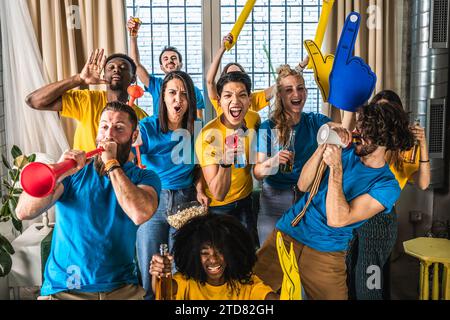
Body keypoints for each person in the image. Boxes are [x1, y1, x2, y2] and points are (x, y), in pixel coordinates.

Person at [253, 100, 415, 300]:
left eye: (365, 134)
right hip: (289, 232)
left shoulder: (386, 186)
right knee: (250, 291)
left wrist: (336, 169)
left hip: (326, 252)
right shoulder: (348, 150)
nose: (358, 135)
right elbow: (303, 185)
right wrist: (324, 146)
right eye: (359, 127)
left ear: (384, 141)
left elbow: (338, 219)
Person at [16, 102, 161, 300]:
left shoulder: (145, 178)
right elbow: (24, 212)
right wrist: (58, 172)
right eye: (104, 126)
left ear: (133, 136)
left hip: (121, 288)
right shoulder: (73, 173)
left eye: (119, 128)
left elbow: (140, 213)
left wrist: (111, 163)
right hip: (65, 288)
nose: (109, 134)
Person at [346, 90, 431, 300]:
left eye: (385, 113)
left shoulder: (403, 150)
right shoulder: (364, 145)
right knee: (355, 272)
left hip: (380, 215)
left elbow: (423, 182)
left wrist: (423, 144)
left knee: (371, 280)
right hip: (357, 213)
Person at [136, 70, 209, 300]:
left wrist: (199, 188)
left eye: (184, 94)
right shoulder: (146, 128)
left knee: (181, 266)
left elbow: (199, 167)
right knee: (151, 266)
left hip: (185, 200)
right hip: (152, 200)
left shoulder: (196, 128)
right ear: (163, 97)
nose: (178, 99)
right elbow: (130, 159)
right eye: (172, 93)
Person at [253, 65, 337, 244]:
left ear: (306, 92)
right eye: (288, 90)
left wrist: (339, 96)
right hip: (274, 200)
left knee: (303, 260)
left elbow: (339, 130)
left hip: (308, 198)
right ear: (280, 95)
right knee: (270, 257)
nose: (296, 94)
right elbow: (258, 172)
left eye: (300, 88)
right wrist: (273, 161)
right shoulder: (267, 127)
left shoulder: (315, 121)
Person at [25, 49, 148, 151]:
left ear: (133, 78)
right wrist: (78, 79)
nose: (116, 70)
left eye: (123, 67)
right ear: (104, 76)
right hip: (85, 176)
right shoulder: (88, 100)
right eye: (111, 67)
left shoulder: (141, 116)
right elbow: (34, 101)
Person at [195, 71, 260, 247]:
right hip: (219, 208)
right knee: (223, 258)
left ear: (249, 99)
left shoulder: (254, 119)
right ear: (219, 101)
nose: (235, 101)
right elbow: (218, 193)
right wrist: (225, 161)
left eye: (242, 95)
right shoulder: (208, 137)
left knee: (250, 254)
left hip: (246, 200)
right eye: (228, 95)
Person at [150, 214, 278, 300]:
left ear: (232, 252)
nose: (213, 259)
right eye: (205, 253)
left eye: (220, 251)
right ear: (193, 255)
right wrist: (159, 272)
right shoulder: (186, 282)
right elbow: (163, 291)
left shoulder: (247, 283)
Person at [127, 17, 205, 119]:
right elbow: (135, 64)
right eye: (165, 59)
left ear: (180, 64)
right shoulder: (156, 85)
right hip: (160, 133)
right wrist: (133, 36)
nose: (169, 61)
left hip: (184, 133)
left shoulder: (194, 91)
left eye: (173, 58)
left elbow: (199, 120)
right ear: (161, 67)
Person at [206, 34, 275, 124]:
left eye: (238, 76)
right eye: (230, 76)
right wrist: (222, 48)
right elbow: (209, 81)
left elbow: (279, 86)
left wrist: (298, 68)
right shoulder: (221, 99)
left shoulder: (252, 99)